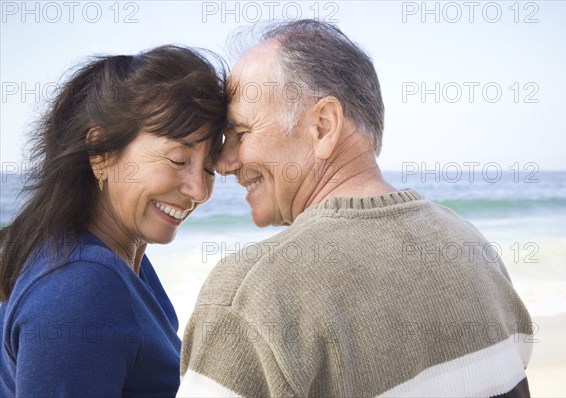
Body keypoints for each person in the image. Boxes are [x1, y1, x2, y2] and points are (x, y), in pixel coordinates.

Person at [179, 20, 534, 397]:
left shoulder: (253, 293)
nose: (223, 161)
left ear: (323, 126)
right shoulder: (470, 246)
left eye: (240, 133)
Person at [0, 45, 228, 397]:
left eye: (210, 168)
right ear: (101, 152)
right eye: (178, 159)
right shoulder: (80, 292)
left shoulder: (119, 261)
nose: (199, 189)